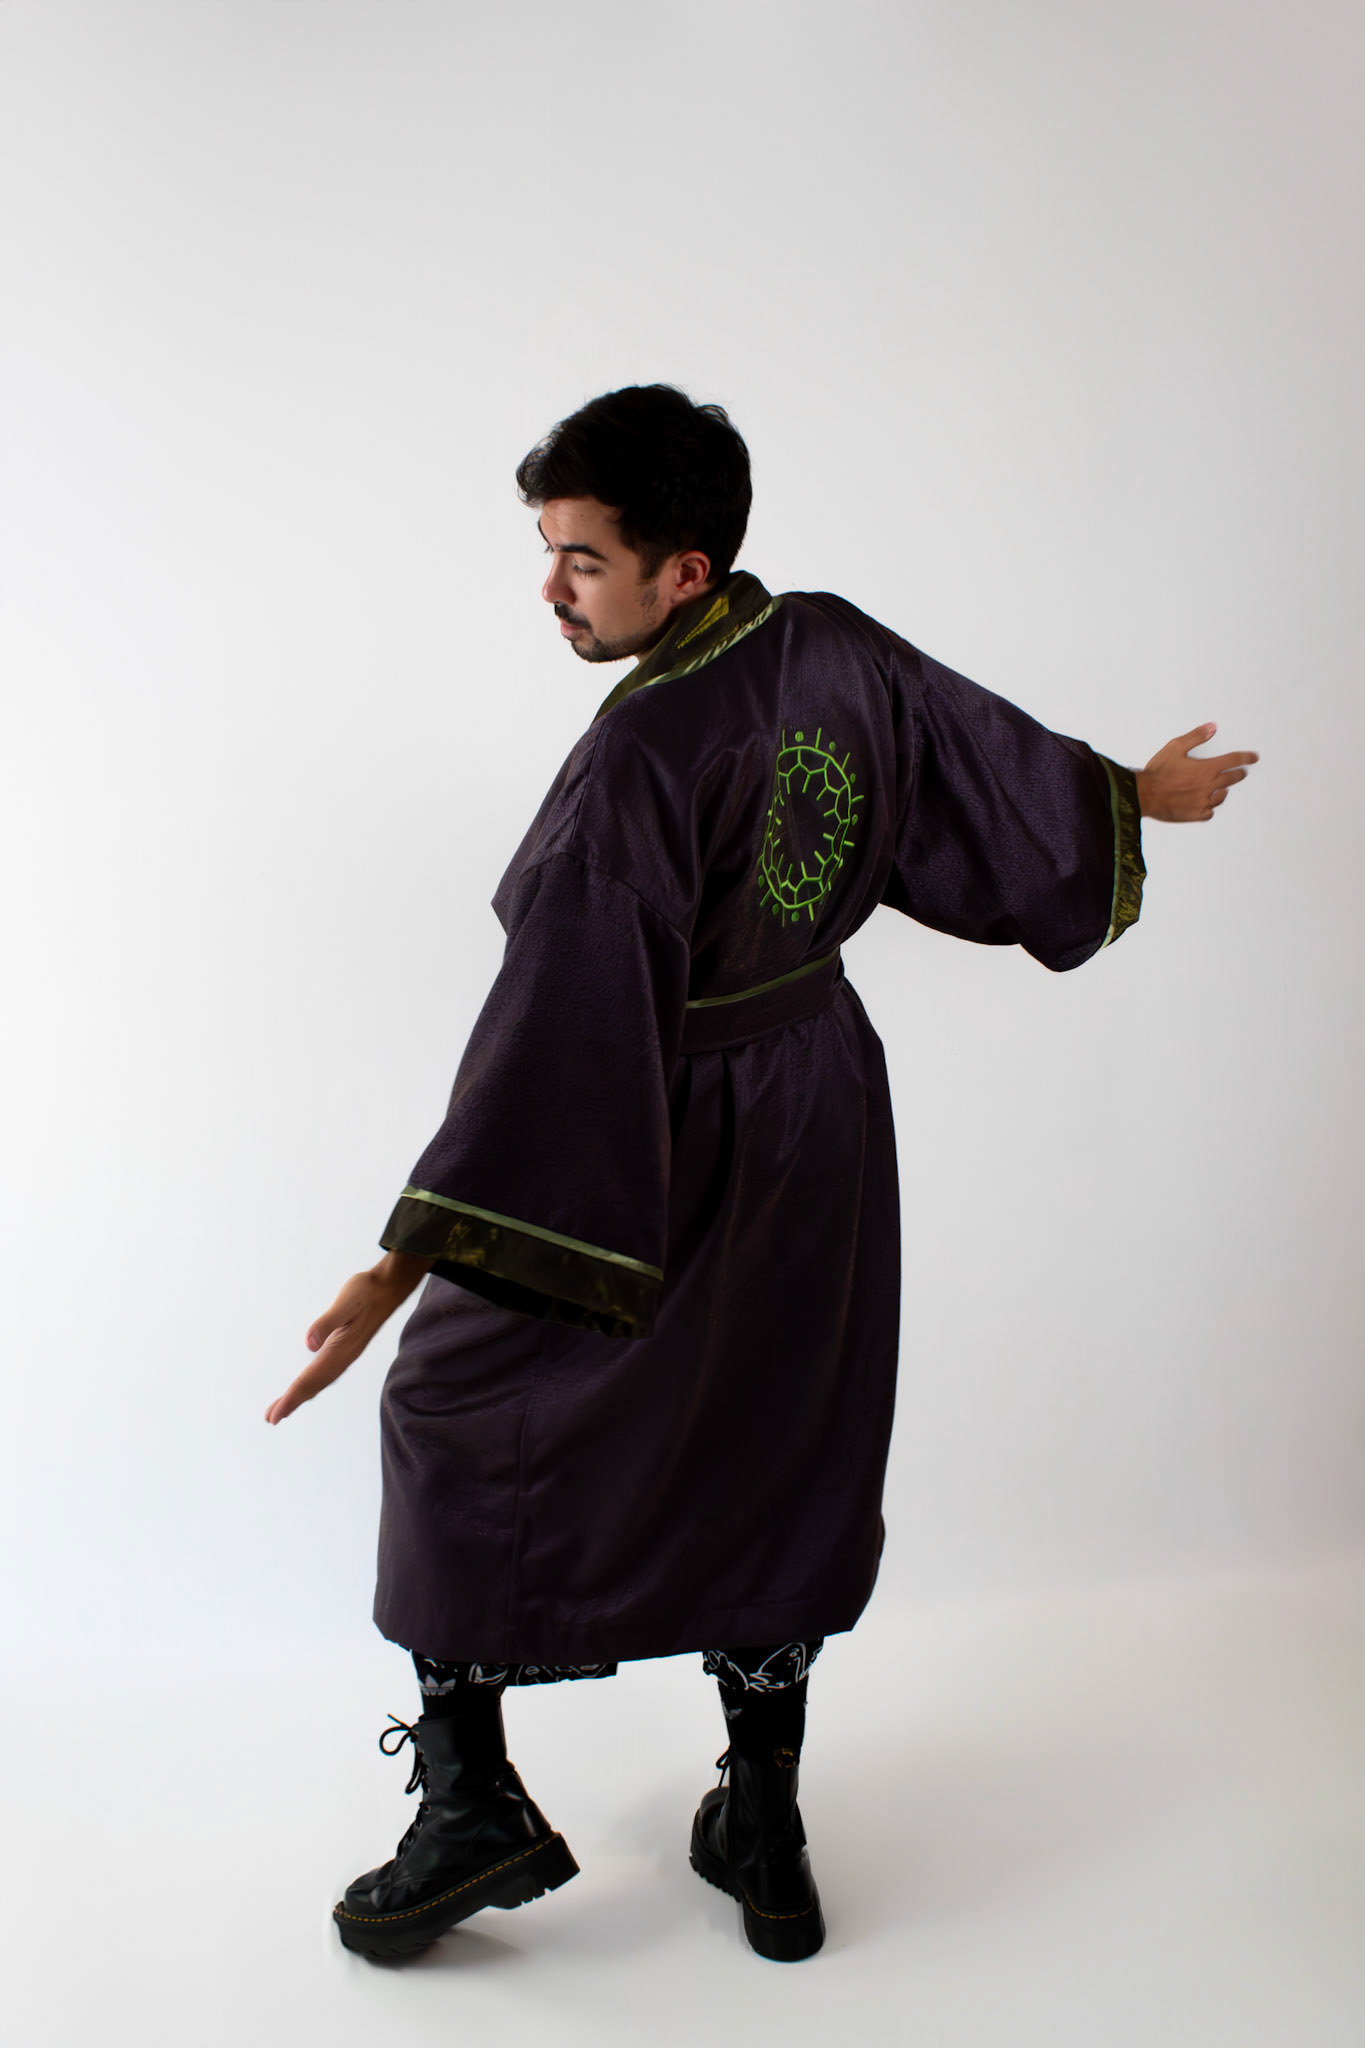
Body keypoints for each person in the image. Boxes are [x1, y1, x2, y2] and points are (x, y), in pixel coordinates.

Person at [264, 384, 1257, 1964]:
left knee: (450, 1408)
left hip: (649, 1123)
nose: (549, 589)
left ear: (684, 569)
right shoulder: (830, 644)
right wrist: (1129, 795)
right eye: (547, 551)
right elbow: (970, 758)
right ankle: (765, 1827)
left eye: (582, 560)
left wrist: (405, 1265)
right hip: (817, 1094)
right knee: (781, 1428)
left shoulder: (635, 759)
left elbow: (555, 1026)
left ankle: (473, 1806)